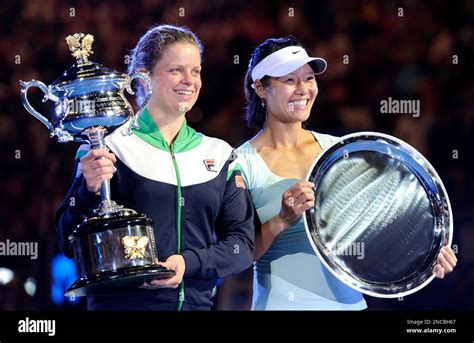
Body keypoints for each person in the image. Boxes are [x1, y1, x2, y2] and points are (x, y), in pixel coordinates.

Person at [235, 37, 458, 310]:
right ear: (260, 87)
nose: (303, 89)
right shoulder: (240, 162)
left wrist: (428, 255)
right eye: (290, 81)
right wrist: (281, 220)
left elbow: (380, 228)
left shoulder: (338, 151)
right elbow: (237, 256)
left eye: (308, 78)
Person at [55, 24, 254, 310]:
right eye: (176, 70)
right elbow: (67, 240)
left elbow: (242, 246)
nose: (189, 80)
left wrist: (189, 263)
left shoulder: (220, 154)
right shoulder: (107, 148)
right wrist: (87, 191)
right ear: (143, 77)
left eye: (195, 71)